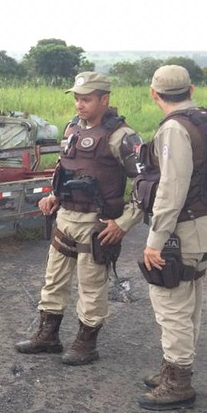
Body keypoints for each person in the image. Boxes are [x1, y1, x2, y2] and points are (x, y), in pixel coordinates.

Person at [15, 72, 143, 364]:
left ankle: (87, 343)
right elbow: (65, 169)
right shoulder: (72, 128)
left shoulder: (122, 136)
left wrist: (124, 223)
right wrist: (53, 196)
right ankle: (48, 336)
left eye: (86, 99)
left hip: (97, 222)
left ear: (104, 99)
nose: (79, 104)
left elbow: (146, 182)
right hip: (66, 217)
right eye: (76, 98)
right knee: (54, 278)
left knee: (92, 283)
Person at [134, 65, 207, 410]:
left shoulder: (175, 129)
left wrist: (154, 240)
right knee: (189, 299)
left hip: (183, 230)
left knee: (171, 303)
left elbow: (172, 188)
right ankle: (173, 368)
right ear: (193, 89)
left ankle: (178, 382)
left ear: (153, 94)